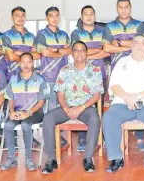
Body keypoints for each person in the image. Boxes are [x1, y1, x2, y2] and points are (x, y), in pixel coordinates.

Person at [102, 35, 144, 174]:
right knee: (109, 117)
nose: (139, 45)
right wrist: (127, 97)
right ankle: (116, 158)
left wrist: (137, 96)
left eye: (143, 43)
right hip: (124, 103)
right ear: (131, 46)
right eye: (136, 43)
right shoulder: (121, 63)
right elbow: (114, 85)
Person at [41, 41, 103, 174]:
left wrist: (80, 108)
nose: (79, 52)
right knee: (47, 118)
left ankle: (88, 158)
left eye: (82, 50)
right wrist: (65, 108)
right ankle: (51, 159)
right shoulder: (64, 70)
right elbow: (60, 93)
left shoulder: (95, 70)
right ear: (72, 53)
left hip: (86, 108)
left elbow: (97, 95)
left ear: (86, 53)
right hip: (67, 107)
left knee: (95, 119)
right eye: (76, 50)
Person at [103, 0, 144, 152]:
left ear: (130, 7)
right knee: (120, 103)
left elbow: (141, 44)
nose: (123, 10)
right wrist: (130, 46)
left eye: (126, 7)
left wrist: (119, 43)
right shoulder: (109, 27)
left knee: (139, 102)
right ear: (117, 8)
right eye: (120, 7)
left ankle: (140, 138)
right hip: (118, 71)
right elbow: (107, 49)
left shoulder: (140, 25)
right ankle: (117, 138)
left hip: (138, 69)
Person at [0, 52, 48, 171]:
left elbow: (41, 102)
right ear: (19, 64)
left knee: (26, 125)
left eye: (29, 62)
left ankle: (29, 158)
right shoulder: (14, 79)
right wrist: (11, 111)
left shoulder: (40, 79)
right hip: (17, 111)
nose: (26, 65)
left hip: (35, 113)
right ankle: (11, 158)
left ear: (33, 63)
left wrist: (28, 113)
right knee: (8, 125)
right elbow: (10, 98)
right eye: (23, 62)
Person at [70, 5, 109, 152]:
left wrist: (86, 53)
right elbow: (76, 52)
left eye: (91, 14)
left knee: (100, 109)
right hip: (81, 77)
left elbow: (107, 52)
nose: (88, 17)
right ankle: (82, 138)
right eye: (85, 14)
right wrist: (96, 50)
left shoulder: (103, 32)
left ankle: (100, 136)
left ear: (95, 15)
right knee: (82, 106)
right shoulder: (76, 33)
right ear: (81, 17)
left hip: (100, 75)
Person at [35, 6, 71, 111]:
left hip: (63, 77)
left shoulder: (64, 34)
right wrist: (60, 51)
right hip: (48, 77)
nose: (54, 19)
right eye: (51, 16)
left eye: (57, 16)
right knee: (49, 109)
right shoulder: (42, 34)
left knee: (62, 108)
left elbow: (69, 51)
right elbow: (45, 53)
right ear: (47, 18)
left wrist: (54, 50)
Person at [3, 6, 41, 80]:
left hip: (30, 77)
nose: (20, 18)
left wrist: (20, 53)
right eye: (17, 16)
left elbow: (38, 56)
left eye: (23, 15)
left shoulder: (31, 36)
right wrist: (30, 54)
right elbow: (11, 57)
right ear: (12, 18)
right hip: (13, 77)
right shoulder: (7, 35)